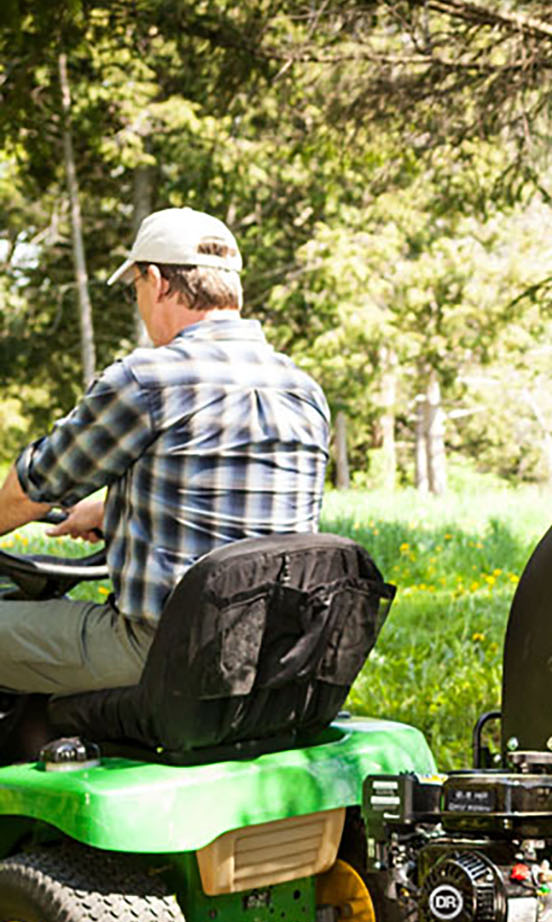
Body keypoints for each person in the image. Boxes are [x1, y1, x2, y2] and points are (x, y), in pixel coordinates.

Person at [0, 207, 331, 696]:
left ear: (155, 281)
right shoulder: (303, 391)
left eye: (134, 287)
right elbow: (232, 498)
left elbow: (32, 491)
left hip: (160, 654)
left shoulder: (147, 381)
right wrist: (115, 506)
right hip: (270, 659)